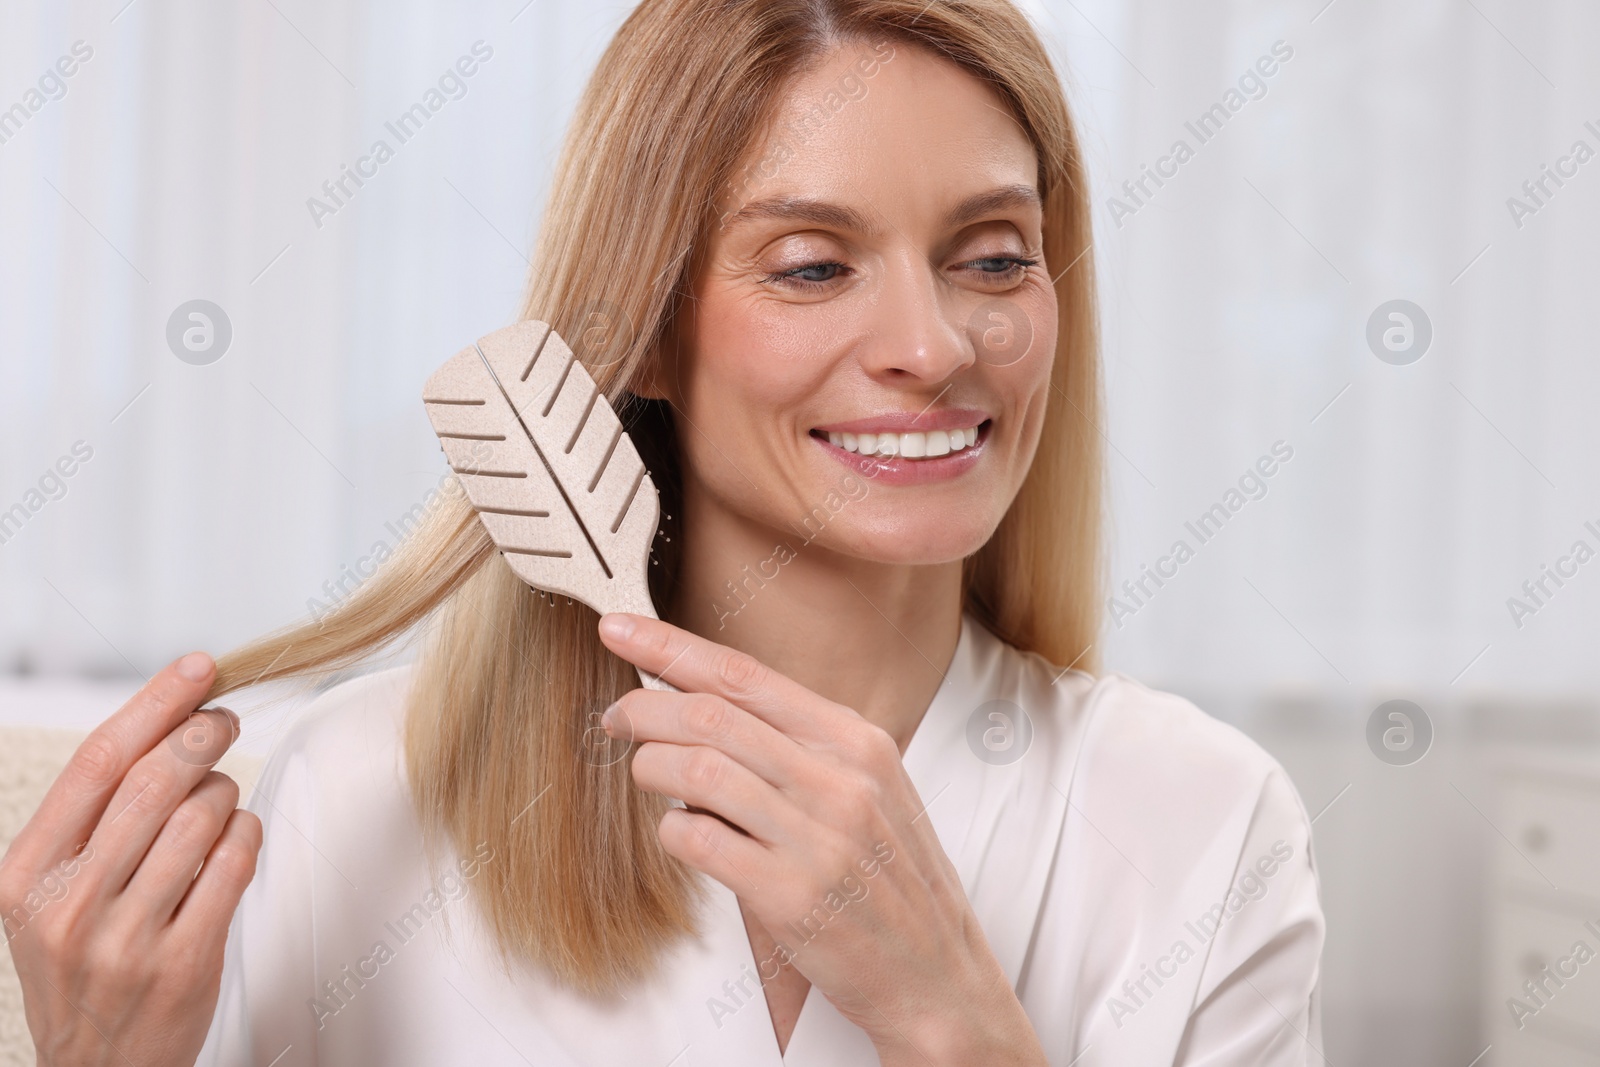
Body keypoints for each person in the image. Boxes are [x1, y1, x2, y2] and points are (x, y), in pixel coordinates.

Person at [0, 1, 1326, 1063]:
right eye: (813, 264)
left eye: (991, 257)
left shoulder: (1205, 826)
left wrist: (955, 1029)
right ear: (645, 329)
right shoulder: (342, 807)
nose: (932, 347)